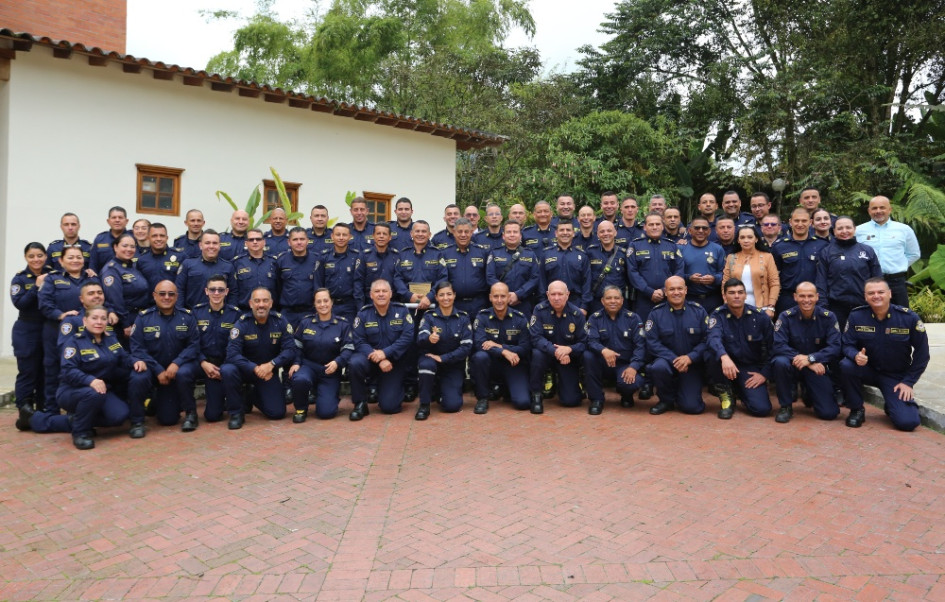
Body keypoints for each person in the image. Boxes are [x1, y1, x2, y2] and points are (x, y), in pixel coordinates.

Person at [840, 278, 930, 430]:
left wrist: (909, 382)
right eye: (871, 293)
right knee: (846, 365)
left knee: (907, 423)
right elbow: (846, 344)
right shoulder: (857, 316)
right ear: (865, 296)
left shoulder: (908, 318)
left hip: (894, 375)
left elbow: (922, 354)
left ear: (889, 294)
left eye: (881, 292)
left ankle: (894, 404)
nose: (876, 296)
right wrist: (855, 355)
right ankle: (856, 409)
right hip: (867, 369)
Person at [57, 306, 147, 449]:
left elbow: (123, 358)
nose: (99, 322)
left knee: (120, 416)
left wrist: (135, 361)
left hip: (102, 391)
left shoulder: (110, 340)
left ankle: (78, 419)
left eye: (103, 318)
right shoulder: (74, 342)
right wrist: (90, 380)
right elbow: (68, 370)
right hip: (73, 390)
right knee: (93, 394)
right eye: (94, 318)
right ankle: (80, 433)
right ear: (85, 321)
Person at [127, 281, 201, 435]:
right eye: (162, 294)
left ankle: (191, 414)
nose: (166, 297)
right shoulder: (143, 318)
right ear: (154, 296)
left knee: (168, 419)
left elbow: (194, 345)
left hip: (178, 369)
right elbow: (137, 348)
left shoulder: (187, 317)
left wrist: (177, 363)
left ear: (177, 296)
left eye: (171, 294)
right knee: (137, 377)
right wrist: (158, 369)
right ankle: (137, 422)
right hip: (153, 369)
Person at [222, 287, 298, 427]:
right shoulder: (242, 323)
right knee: (227, 370)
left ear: (271, 303)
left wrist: (272, 364)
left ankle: (251, 394)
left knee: (277, 413)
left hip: (268, 372)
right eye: (257, 301)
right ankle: (236, 413)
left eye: (265, 301)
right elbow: (232, 353)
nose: (261, 305)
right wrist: (255, 368)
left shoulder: (280, 321)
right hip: (244, 370)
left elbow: (290, 349)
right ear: (251, 303)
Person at [38, 246, 98, 414]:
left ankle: (76, 410)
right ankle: (52, 411)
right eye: (70, 257)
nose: (75, 260)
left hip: (84, 333)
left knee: (81, 368)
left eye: (78, 257)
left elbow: (100, 300)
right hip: (55, 330)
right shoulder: (52, 279)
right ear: (61, 261)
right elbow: (44, 303)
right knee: (53, 369)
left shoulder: (92, 278)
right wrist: (61, 315)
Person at [771, 282, 842, 423]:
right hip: (793, 365)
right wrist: (805, 360)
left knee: (829, 413)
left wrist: (811, 358)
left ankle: (809, 392)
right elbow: (778, 345)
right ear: (795, 297)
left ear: (817, 297)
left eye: (810, 296)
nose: (806, 300)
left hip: (816, 367)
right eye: (802, 296)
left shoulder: (828, 317)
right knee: (779, 362)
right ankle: (786, 406)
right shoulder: (786, 317)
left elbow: (835, 347)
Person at [706, 278, 774, 419]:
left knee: (761, 409)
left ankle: (739, 389)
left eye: (740, 292)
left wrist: (764, 374)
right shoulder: (718, 315)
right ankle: (726, 395)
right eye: (731, 293)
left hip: (749, 367)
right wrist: (724, 357)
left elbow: (774, 347)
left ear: (745, 295)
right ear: (725, 296)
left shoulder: (760, 317)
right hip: (725, 365)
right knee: (710, 353)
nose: (736, 296)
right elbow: (713, 338)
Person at [348, 279, 415, 420]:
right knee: (355, 363)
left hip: (393, 363)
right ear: (371, 295)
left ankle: (390, 388)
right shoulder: (363, 314)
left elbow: (407, 337)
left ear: (391, 294)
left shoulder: (402, 311)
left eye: (384, 291)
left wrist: (385, 353)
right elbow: (359, 340)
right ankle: (360, 404)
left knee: (390, 407)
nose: (381, 294)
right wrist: (378, 358)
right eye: (377, 291)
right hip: (370, 360)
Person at [645, 276, 709, 415]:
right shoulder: (656, 313)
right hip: (667, 362)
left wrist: (690, 357)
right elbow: (652, 342)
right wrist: (675, 359)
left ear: (686, 290)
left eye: (680, 288)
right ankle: (666, 400)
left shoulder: (698, 311)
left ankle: (681, 393)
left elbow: (707, 340)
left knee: (692, 408)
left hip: (691, 365)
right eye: (671, 289)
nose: (676, 292)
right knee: (658, 367)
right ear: (666, 292)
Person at [288, 289, 354, 422]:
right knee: (299, 379)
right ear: (314, 304)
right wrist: (296, 362)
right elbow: (297, 346)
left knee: (326, 413)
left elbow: (348, 348)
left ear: (331, 302)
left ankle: (326, 395)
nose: (323, 304)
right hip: (309, 366)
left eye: (326, 300)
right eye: (319, 301)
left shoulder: (342, 324)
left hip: (330, 370)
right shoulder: (305, 322)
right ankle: (301, 409)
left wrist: (338, 362)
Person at [470, 282, 532, 414]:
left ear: (509, 297)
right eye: (496, 296)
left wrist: (500, 346)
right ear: (490, 297)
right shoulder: (482, 317)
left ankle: (505, 388)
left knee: (523, 403)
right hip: (491, 364)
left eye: (503, 296)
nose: (499, 300)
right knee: (479, 357)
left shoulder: (519, 318)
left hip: (513, 364)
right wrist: (503, 352)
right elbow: (479, 344)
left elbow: (525, 347)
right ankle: (482, 398)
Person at [415, 281, 473, 420]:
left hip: (452, 364)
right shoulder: (429, 316)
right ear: (436, 297)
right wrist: (429, 338)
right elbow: (420, 338)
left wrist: (444, 358)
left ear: (454, 296)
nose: (445, 298)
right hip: (431, 360)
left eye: (449, 294)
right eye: (441, 295)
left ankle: (440, 391)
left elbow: (467, 347)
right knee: (425, 365)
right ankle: (424, 404)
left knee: (452, 406)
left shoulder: (463, 317)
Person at [583, 285, 644, 415]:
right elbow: (591, 341)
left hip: (624, 364)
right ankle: (596, 399)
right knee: (587, 356)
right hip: (602, 363)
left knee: (631, 383)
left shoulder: (633, 318)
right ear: (602, 301)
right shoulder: (594, 318)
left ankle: (626, 395)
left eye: (616, 298)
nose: (612, 301)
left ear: (622, 300)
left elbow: (641, 346)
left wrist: (633, 366)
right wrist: (604, 350)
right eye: (609, 298)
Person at [528, 280, 587, 413]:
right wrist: (556, 351)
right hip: (547, 355)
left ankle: (566, 384)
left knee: (571, 401)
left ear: (567, 294)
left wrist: (570, 349)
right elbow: (535, 338)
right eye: (553, 294)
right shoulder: (539, 310)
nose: (556, 298)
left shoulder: (577, 314)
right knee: (536, 354)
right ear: (547, 295)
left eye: (560, 294)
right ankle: (536, 394)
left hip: (567, 359)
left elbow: (584, 342)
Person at [10, 242, 51, 429]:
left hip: (48, 329)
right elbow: (21, 304)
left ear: (45, 256)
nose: (36, 259)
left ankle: (43, 411)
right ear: (26, 258)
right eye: (32, 256)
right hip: (27, 329)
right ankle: (25, 412)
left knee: (46, 371)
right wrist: (36, 286)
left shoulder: (53, 274)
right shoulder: (19, 279)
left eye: (40, 255)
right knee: (28, 371)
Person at [815, 216, 882, 329]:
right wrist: (823, 307)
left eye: (848, 227)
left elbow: (878, 279)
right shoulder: (826, 252)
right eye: (840, 228)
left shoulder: (867, 250)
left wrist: (877, 301)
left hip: (864, 306)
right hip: (836, 307)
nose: (844, 231)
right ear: (834, 231)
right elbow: (821, 282)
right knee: (838, 341)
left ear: (854, 229)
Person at [192, 275, 242, 424]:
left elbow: (236, 345)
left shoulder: (235, 314)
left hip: (226, 363)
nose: (216, 293)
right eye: (212, 289)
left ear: (226, 292)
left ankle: (236, 412)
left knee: (228, 371)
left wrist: (224, 365)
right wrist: (203, 362)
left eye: (220, 290)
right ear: (206, 291)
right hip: (205, 364)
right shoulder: (196, 313)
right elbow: (192, 342)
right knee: (212, 416)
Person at [856, 195, 921, 307]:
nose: (878, 211)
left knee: (901, 317)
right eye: (874, 208)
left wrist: (898, 265)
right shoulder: (858, 231)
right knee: (868, 318)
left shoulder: (904, 229)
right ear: (869, 211)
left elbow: (914, 254)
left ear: (889, 209)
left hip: (896, 282)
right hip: (868, 281)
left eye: (882, 207)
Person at [625, 212, 684, 320]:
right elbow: (632, 272)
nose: (655, 227)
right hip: (643, 298)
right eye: (651, 224)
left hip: (668, 297)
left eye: (657, 224)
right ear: (645, 227)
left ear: (662, 226)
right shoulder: (635, 245)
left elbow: (679, 270)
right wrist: (649, 291)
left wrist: (663, 290)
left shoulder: (672, 246)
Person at [772, 207, 827, 315]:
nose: (800, 224)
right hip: (787, 298)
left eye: (804, 221)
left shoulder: (822, 245)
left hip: (814, 298)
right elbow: (774, 276)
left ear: (810, 222)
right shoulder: (779, 247)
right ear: (790, 222)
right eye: (796, 221)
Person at [101, 233, 151, 341]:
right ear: (115, 247)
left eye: (132, 246)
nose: (129, 249)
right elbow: (115, 300)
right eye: (125, 246)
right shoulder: (111, 270)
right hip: (124, 322)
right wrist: (125, 324)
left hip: (138, 318)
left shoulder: (132, 266)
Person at [722, 226, 779, 319]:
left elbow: (774, 283)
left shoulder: (767, 257)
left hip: (762, 306)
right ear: (738, 240)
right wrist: (726, 302)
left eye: (749, 237)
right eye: (742, 237)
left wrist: (771, 307)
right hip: (735, 306)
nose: (746, 240)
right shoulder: (731, 258)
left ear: (756, 239)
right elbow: (725, 283)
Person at [485, 220, 540, 317]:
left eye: (515, 232)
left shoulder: (530, 254)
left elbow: (534, 278)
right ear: (503, 235)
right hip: (500, 303)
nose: (512, 235)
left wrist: (518, 295)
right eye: (509, 232)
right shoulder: (494, 254)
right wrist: (504, 294)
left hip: (523, 303)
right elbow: (490, 277)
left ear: (520, 236)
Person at [441, 218, 490, 316]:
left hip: (479, 304)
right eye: (460, 232)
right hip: (454, 304)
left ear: (472, 232)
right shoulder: (444, 253)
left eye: (466, 232)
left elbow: (489, 276)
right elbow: (442, 278)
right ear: (454, 232)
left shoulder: (482, 252)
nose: (463, 235)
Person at [394, 220, 447, 310]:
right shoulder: (403, 254)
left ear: (429, 235)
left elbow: (443, 278)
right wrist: (409, 295)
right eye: (417, 231)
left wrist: (430, 296)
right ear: (411, 234)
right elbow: (397, 278)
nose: (420, 234)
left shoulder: (437, 254)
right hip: (408, 305)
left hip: (432, 305)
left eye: (424, 231)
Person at [175, 230, 235, 310]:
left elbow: (233, 293)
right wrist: (180, 312)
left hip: (220, 316)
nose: (211, 246)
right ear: (200, 245)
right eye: (207, 243)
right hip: (192, 315)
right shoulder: (188, 264)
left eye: (215, 243)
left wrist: (230, 313)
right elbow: (179, 289)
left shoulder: (228, 267)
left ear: (219, 246)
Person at [314, 222, 361, 322]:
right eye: (338, 234)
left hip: (350, 307)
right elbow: (318, 283)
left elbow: (359, 284)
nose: (341, 237)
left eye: (344, 235)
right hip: (328, 306)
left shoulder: (357, 257)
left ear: (350, 237)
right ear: (332, 236)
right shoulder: (323, 257)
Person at [274, 227, 320, 328]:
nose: (299, 242)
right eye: (295, 239)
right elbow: (277, 287)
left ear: (307, 241)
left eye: (302, 239)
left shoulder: (317, 260)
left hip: (310, 312)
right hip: (288, 313)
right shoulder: (281, 260)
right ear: (289, 242)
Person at [540, 221, 592, 311]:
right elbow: (541, 281)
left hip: (576, 303)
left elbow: (587, 282)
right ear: (556, 233)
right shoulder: (546, 254)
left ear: (573, 233)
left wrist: (584, 306)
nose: (565, 233)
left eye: (568, 230)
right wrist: (543, 304)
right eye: (561, 230)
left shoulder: (582, 255)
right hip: (551, 303)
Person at [679, 217, 725, 312]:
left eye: (704, 228)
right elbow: (675, 274)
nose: (701, 231)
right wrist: (689, 278)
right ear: (690, 230)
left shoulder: (718, 249)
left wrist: (714, 278)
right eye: (697, 228)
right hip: (689, 298)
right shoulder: (681, 249)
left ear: (709, 231)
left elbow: (724, 274)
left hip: (713, 298)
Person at [586, 219, 628, 315]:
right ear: (597, 234)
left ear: (615, 232)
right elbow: (586, 278)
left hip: (619, 303)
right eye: (602, 231)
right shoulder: (590, 252)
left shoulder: (623, 254)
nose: (606, 234)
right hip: (596, 302)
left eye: (609, 231)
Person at [231, 228, 278, 311]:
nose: (255, 242)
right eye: (251, 240)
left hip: (270, 311)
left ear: (264, 242)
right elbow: (233, 290)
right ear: (246, 243)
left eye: (258, 239)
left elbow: (279, 287)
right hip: (244, 311)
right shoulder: (237, 263)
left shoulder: (274, 262)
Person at [355, 223, 398, 309]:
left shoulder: (396, 256)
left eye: (384, 234)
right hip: (369, 304)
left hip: (392, 304)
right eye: (378, 233)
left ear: (390, 237)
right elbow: (358, 282)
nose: (381, 236)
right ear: (373, 236)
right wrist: (361, 307)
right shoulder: (364, 256)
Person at [136, 223, 183, 289]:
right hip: (149, 299)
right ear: (148, 238)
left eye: (162, 236)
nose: (158, 239)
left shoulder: (180, 257)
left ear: (167, 238)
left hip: (172, 298)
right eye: (154, 236)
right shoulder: (142, 259)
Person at [90, 206, 130, 273]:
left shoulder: (133, 238)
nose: (117, 220)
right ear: (108, 221)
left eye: (120, 217)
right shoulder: (100, 239)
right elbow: (93, 265)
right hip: (103, 279)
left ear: (126, 221)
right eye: (114, 217)